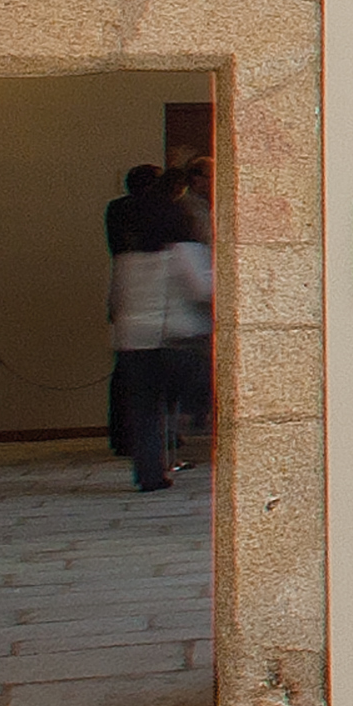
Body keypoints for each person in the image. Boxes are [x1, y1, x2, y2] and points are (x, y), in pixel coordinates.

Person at [104, 166, 219, 491]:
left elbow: (117, 300)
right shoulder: (184, 251)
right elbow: (202, 290)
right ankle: (194, 417)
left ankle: (150, 473)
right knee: (204, 382)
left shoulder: (127, 259)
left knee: (144, 411)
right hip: (175, 339)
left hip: (134, 340)